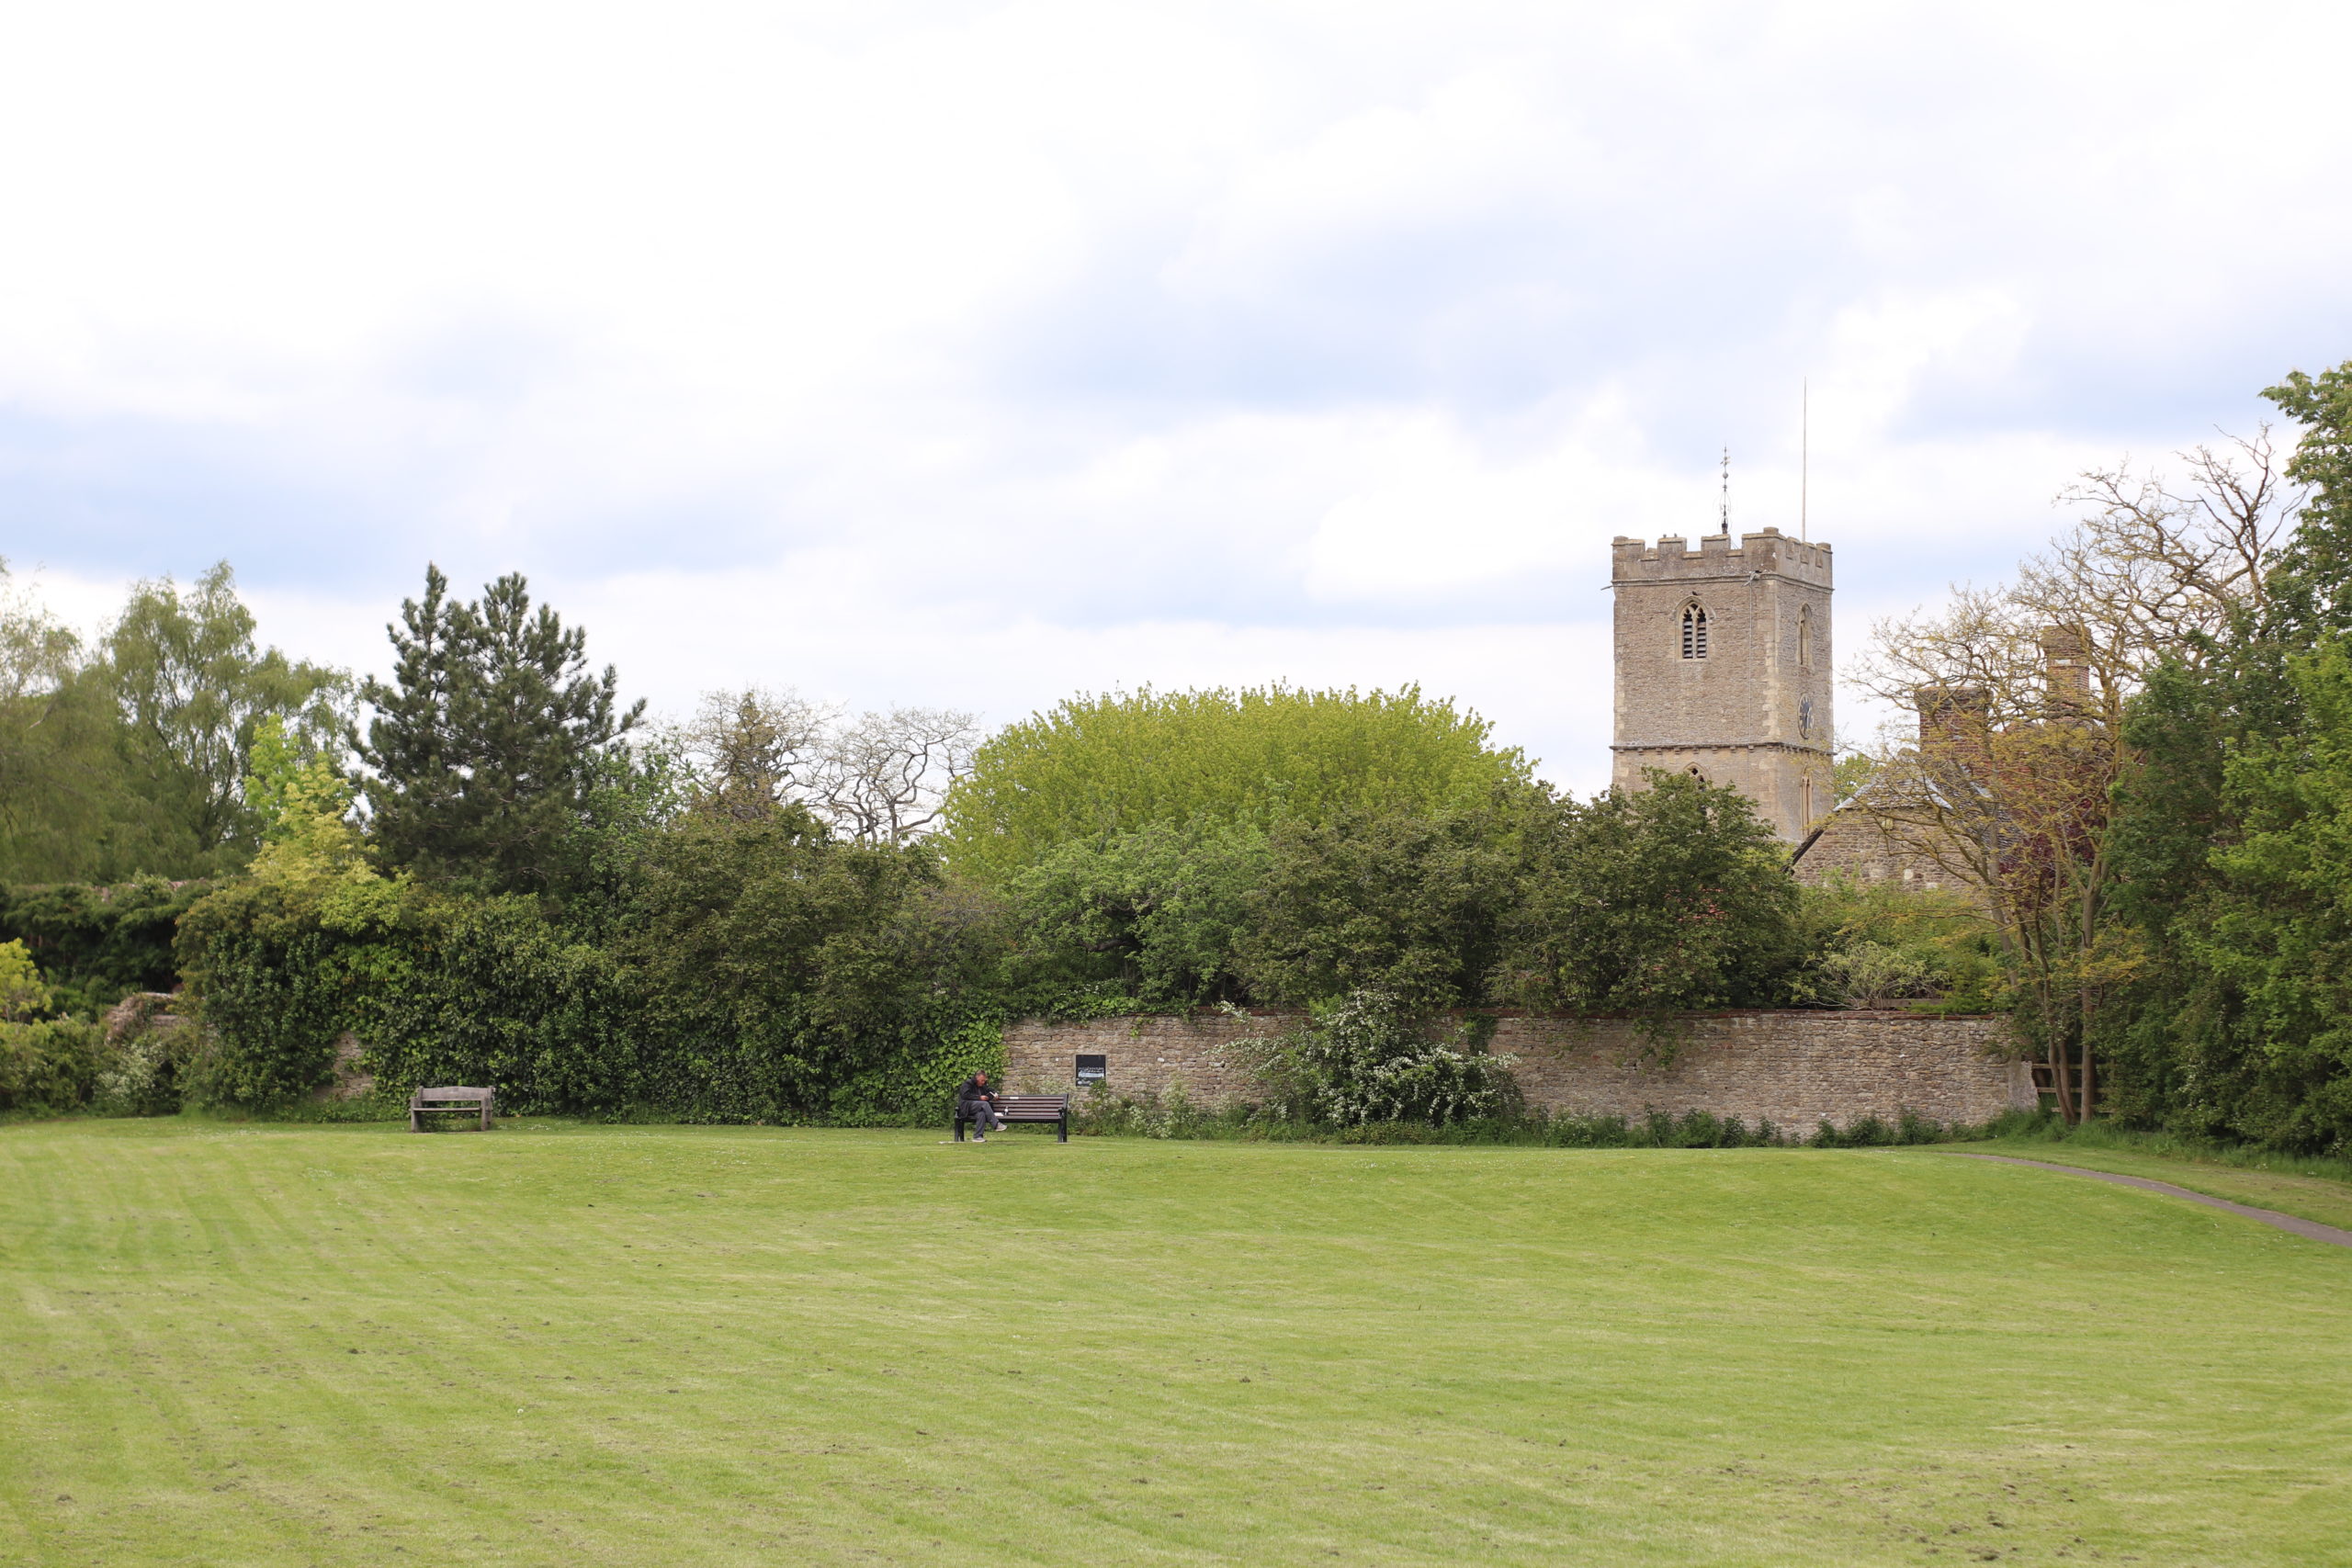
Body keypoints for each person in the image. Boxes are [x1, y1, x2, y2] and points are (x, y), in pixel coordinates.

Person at [958, 1070, 1005, 1142]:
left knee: (981, 1114)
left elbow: (990, 1090)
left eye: (984, 1081)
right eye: (982, 1080)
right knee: (984, 1103)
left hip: (977, 1108)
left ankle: (977, 1137)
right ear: (977, 1078)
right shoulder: (967, 1084)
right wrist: (979, 1097)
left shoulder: (983, 1085)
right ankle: (996, 1124)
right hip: (967, 1106)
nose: (983, 1082)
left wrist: (995, 1094)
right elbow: (965, 1095)